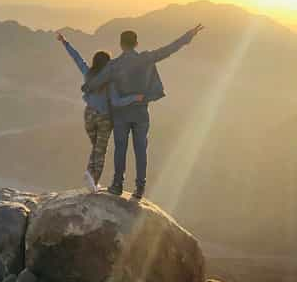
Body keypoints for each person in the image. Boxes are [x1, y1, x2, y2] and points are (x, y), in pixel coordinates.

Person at [82, 24, 205, 199]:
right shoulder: (146, 59)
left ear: (121, 44)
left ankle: (117, 185)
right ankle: (140, 188)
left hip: (121, 115)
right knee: (140, 150)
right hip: (140, 113)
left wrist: (86, 87)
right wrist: (188, 36)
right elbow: (168, 50)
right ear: (136, 43)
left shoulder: (114, 65)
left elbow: (94, 84)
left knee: (120, 149)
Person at [57, 32, 144, 193]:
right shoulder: (110, 81)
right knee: (100, 151)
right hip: (104, 118)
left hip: (89, 115)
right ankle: (93, 181)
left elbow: (77, 58)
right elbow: (117, 102)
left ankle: (89, 175)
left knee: (95, 148)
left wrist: (65, 42)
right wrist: (135, 98)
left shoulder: (88, 74)